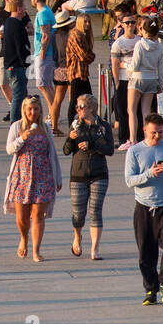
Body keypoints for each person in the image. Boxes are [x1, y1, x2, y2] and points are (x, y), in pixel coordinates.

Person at [125, 113, 163, 304]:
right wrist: (150, 173)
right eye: (153, 133)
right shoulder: (134, 151)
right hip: (144, 207)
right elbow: (129, 180)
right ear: (145, 130)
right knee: (146, 251)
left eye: (160, 132)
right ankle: (150, 290)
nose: (157, 136)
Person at [4, 94, 63, 262]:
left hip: (43, 175)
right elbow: (9, 149)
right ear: (24, 110)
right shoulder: (17, 127)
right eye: (29, 109)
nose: (32, 112)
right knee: (21, 216)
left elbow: (53, 154)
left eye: (35, 109)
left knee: (38, 215)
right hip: (21, 177)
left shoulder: (45, 127)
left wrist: (57, 178)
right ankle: (24, 239)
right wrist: (22, 139)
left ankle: (36, 250)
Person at [65, 93, 114, 260]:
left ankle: (95, 248)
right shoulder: (75, 125)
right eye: (77, 106)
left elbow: (109, 150)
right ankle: (77, 237)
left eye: (82, 106)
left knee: (95, 211)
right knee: (79, 213)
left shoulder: (103, 126)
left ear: (92, 108)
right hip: (78, 174)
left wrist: (92, 143)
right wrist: (71, 139)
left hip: (99, 173)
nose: (78, 109)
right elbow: (66, 150)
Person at [126, 18, 163, 148]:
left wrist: (125, 65)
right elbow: (161, 68)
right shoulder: (160, 46)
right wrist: (160, 84)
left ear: (144, 31)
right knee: (146, 112)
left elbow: (135, 65)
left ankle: (132, 139)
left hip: (137, 78)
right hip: (152, 79)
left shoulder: (140, 44)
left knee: (131, 110)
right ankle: (147, 137)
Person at [110, 9, 143, 150]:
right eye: (127, 23)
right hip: (124, 80)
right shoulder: (118, 43)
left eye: (132, 22)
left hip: (137, 80)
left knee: (138, 111)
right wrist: (117, 82)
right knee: (123, 111)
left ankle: (139, 137)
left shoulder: (140, 41)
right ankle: (124, 138)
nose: (130, 25)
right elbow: (115, 64)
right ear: (122, 25)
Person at [30, 0, 58, 127]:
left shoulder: (43, 14)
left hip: (45, 53)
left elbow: (45, 35)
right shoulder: (46, 12)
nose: (30, 0)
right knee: (46, 85)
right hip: (46, 53)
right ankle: (53, 111)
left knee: (43, 85)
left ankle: (53, 113)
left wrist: (42, 52)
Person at [1, 0, 31, 123]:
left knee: (22, 96)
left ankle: (23, 122)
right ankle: (15, 124)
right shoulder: (17, 24)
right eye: (24, 7)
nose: (25, 9)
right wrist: (25, 63)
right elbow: (21, 46)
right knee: (18, 97)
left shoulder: (8, 22)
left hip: (10, 64)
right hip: (17, 65)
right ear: (18, 9)